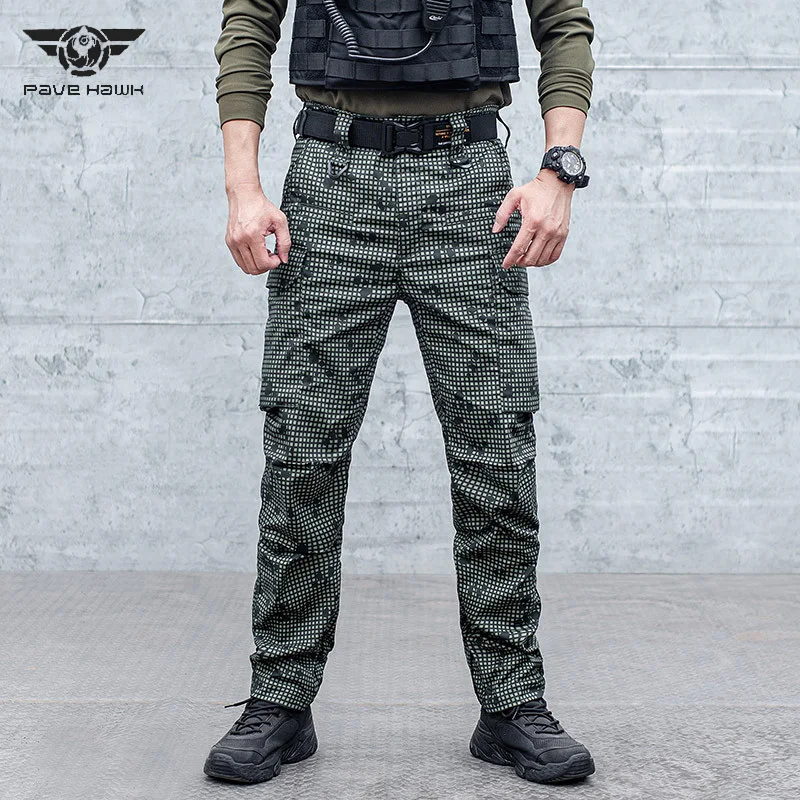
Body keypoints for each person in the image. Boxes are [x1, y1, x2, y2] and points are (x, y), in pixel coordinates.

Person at [204, 0, 596, 786]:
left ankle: (511, 704)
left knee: (497, 458)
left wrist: (561, 169)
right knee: (302, 456)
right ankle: (280, 699)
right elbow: (248, 24)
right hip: (331, 176)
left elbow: (564, 21)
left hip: (469, 181)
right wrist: (242, 188)